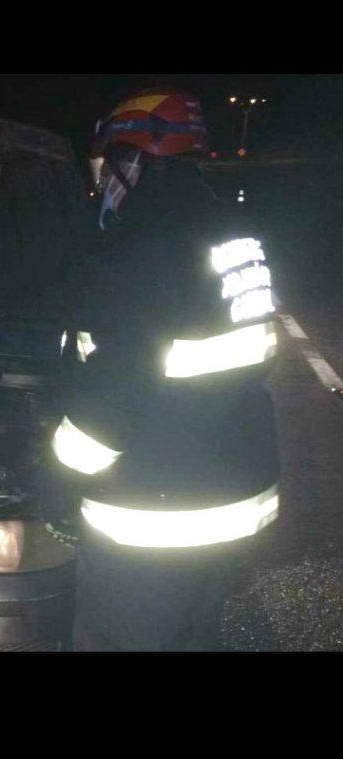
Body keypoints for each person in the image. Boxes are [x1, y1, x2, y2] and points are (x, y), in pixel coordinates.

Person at [56, 89, 280, 650]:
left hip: (153, 513)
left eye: (108, 163)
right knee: (190, 636)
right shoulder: (231, 232)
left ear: (136, 160)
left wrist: (56, 476)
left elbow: (118, 389)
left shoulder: (144, 247)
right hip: (231, 493)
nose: (104, 178)